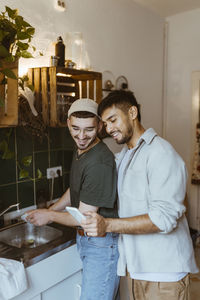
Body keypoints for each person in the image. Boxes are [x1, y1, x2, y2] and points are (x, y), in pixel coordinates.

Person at [81, 90, 199, 300]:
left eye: (113, 120)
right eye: (105, 124)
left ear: (132, 112)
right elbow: (98, 178)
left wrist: (107, 225)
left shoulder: (161, 153)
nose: (109, 129)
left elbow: (163, 219)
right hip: (136, 269)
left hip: (165, 274)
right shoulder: (125, 155)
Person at [26, 98, 120, 300]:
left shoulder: (99, 162)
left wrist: (49, 215)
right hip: (88, 241)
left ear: (100, 126)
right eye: (76, 128)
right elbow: (76, 188)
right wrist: (54, 208)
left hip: (100, 245)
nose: (81, 136)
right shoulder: (82, 150)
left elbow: (85, 218)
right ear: (68, 122)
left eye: (89, 129)